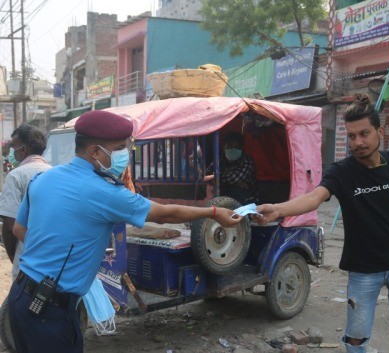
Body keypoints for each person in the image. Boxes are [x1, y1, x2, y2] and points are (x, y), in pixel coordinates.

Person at [8, 110, 243, 353]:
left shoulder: (45, 177)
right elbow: (164, 214)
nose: (125, 154)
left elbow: (19, 228)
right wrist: (213, 213)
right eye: (120, 147)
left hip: (19, 298)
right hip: (50, 310)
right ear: (95, 152)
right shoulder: (104, 192)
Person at [254, 95, 389, 353]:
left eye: (364, 134)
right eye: (352, 136)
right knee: (356, 339)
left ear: (379, 131)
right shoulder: (342, 171)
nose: (358, 142)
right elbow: (313, 198)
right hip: (364, 270)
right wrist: (277, 209)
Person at [0, 125, 51, 280]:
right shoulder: (56, 172)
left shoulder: (16, 176)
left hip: (27, 259)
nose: (12, 152)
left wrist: (13, 256)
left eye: (14, 147)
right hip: (54, 256)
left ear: (23, 150)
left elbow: (9, 224)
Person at [220, 132, 256, 205]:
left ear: (242, 149)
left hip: (245, 202)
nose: (232, 149)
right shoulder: (219, 159)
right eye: (229, 146)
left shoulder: (247, 161)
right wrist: (235, 183)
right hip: (223, 201)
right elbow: (211, 176)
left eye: (236, 147)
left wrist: (221, 179)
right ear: (223, 147)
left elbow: (232, 178)